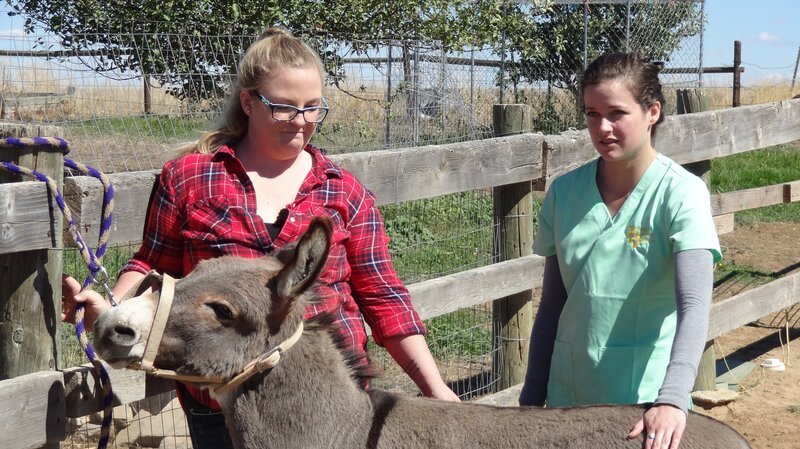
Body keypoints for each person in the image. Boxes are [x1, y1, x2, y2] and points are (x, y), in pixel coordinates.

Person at [61, 27, 459, 449]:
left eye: (312, 108)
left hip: (325, 417)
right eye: (284, 107)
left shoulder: (345, 194)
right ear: (248, 102)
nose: (301, 121)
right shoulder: (190, 179)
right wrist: (113, 310)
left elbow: (383, 297)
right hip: (218, 400)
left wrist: (436, 389)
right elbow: (153, 262)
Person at [518, 52, 722, 449]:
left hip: (643, 407)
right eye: (592, 114)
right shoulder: (564, 192)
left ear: (653, 112)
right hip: (568, 400)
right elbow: (551, 306)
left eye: (616, 113)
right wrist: (530, 399)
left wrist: (673, 399)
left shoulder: (681, 194)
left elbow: (695, 305)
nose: (603, 127)